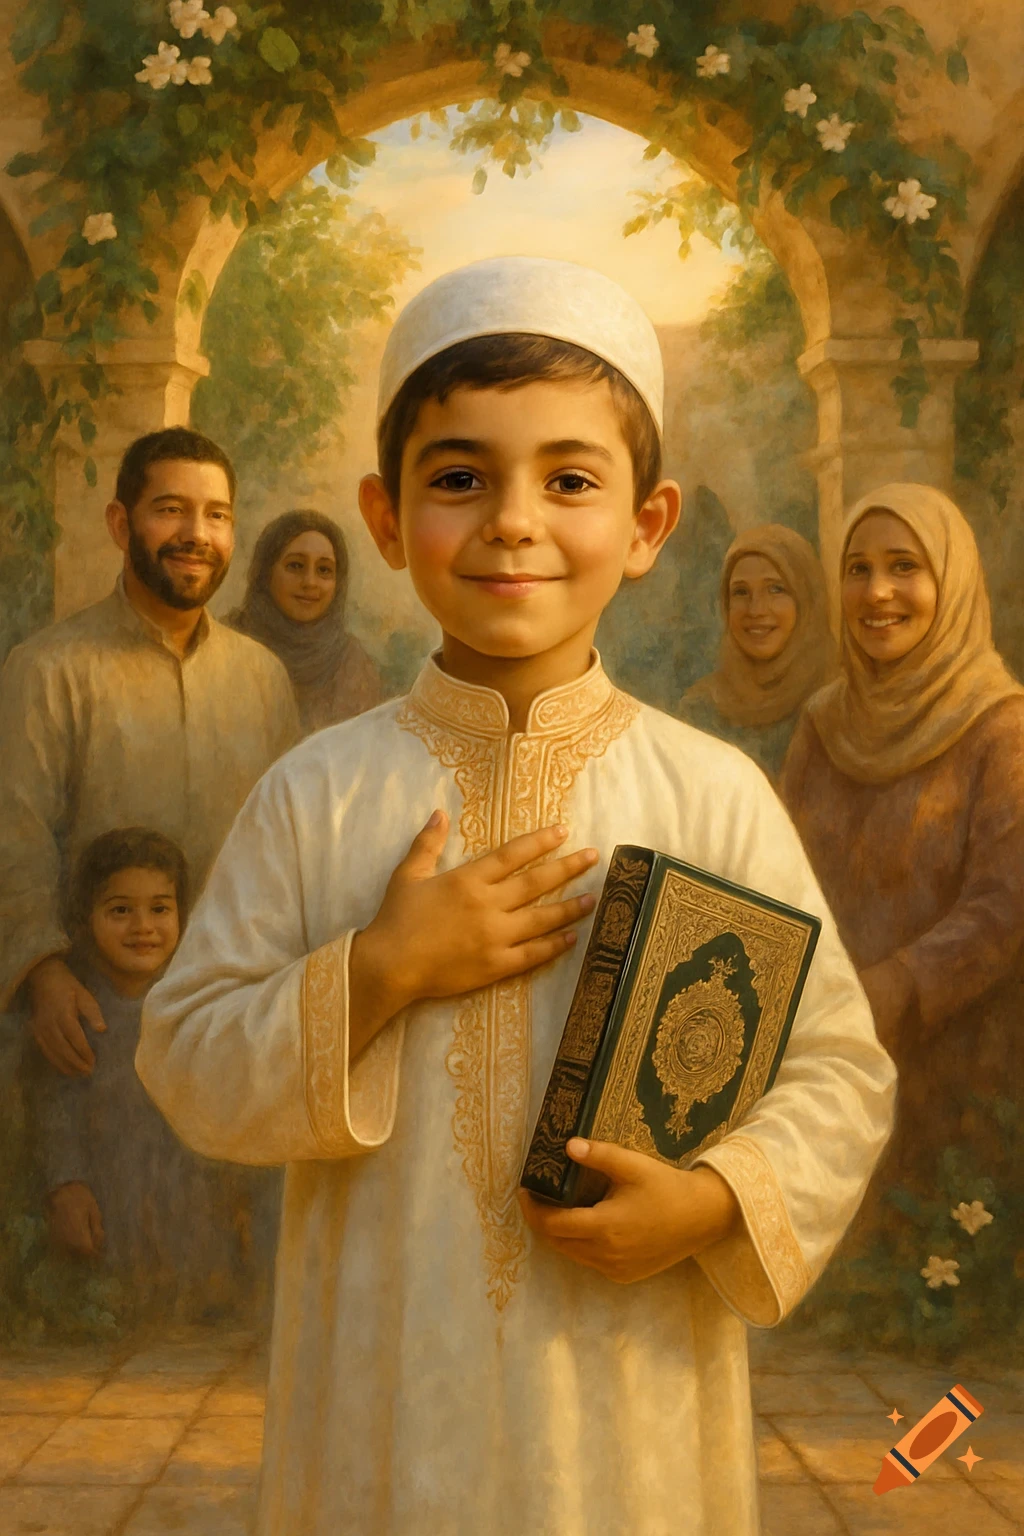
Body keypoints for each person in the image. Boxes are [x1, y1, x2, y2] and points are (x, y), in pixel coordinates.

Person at [138, 257, 894, 1536]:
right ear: (386, 518)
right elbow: (187, 1056)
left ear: (647, 525)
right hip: (382, 1396)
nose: (512, 522)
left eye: (570, 481)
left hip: (631, 1393)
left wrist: (712, 1201)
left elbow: (841, 1073)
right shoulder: (317, 793)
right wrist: (383, 970)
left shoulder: (711, 794)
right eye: (458, 480)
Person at [0, 427, 299, 1079]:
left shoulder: (263, 678)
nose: (197, 534)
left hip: (234, 1022)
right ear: (120, 523)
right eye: (170, 510)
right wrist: (43, 974)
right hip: (90, 1027)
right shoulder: (48, 669)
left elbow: (288, 849)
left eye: (216, 516)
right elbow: (15, 839)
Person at [779, 482, 1024, 1195]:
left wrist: (894, 987)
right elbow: (778, 878)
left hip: (954, 1070)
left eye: (905, 566)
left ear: (953, 581)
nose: (877, 591)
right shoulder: (823, 723)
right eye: (858, 568)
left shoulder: (1002, 728)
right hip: (819, 1055)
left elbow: (1004, 907)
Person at [33, 828, 244, 1319]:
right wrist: (66, 1182)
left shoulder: (196, 1006)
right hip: (110, 1201)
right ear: (87, 919)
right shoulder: (79, 1012)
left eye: (160, 909)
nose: (143, 927)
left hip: (190, 1204)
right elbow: (57, 1110)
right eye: (121, 910)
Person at [679, 523, 835, 780]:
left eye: (776, 589)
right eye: (741, 592)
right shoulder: (700, 709)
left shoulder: (840, 705)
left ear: (806, 599)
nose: (756, 609)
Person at [226, 509, 383, 736]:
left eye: (324, 570)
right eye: (296, 566)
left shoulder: (353, 665)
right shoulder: (226, 645)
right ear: (266, 572)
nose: (310, 582)